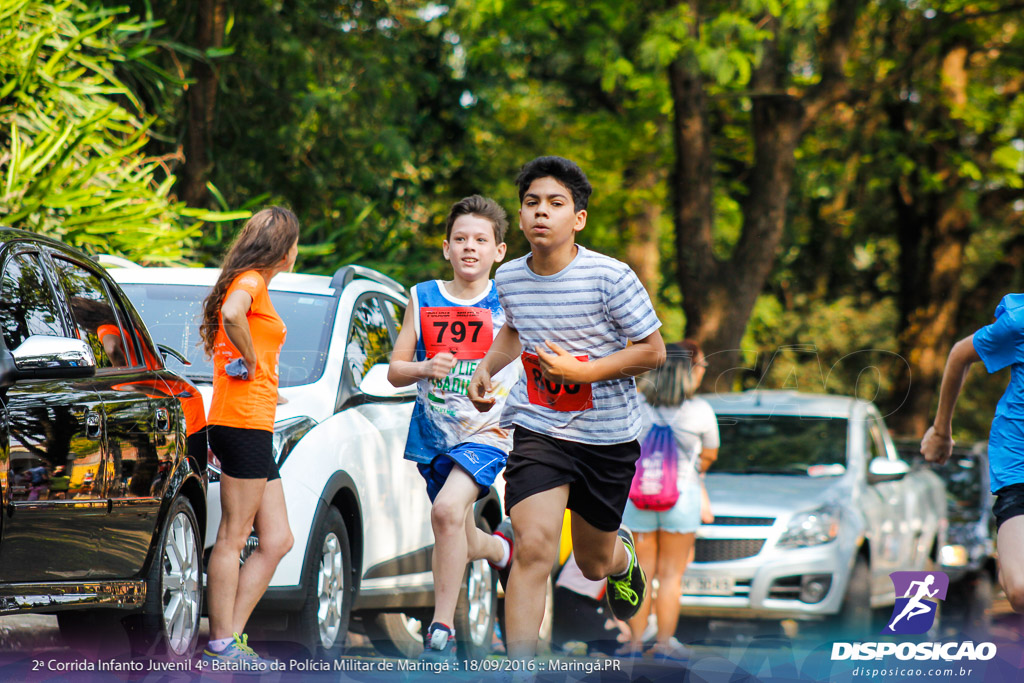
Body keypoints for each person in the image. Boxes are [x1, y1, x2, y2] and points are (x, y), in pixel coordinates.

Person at [468, 156, 666, 663]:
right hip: (540, 426)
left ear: (578, 218)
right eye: (532, 202)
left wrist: (585, 373)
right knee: (533, 547)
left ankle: (623, 562)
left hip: (607, 436)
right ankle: (519, 669)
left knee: (592, 561)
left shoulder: (610, 277)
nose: (541, 213)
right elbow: (514, 328)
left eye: (556, 204)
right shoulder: (509, 278)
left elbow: (652, 350)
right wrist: (487, 367)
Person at [388, 195, 517, 661]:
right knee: (459, 531)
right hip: (433, 435)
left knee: (444, 514)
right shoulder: (422, 296)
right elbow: (395, 370)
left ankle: (440, 627)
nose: (470, 248)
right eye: (460, 239)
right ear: (446, 248)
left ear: (498, 251)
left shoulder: (510, 301)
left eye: (481, 240)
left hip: (489, 432)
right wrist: (424, 368)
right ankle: (501, 550)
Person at [200, 207, 298, 669]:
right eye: (294, 242)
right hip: (240, 423)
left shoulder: (251, 281)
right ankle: (222, 643)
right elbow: (233, 313)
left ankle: (230, 639)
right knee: (233, 536)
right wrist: (252, 360)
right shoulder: (252, 282)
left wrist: (263, 383)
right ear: (283, 249)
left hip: (252, 420)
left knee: (276, 538)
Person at [921, 293, 1024, 614]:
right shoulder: (1019, 323)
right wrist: (941, 431)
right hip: (1018, 465)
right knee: (1019, 589)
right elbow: (960, 354)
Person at [619, 341, 718, 660]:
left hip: (638, 496)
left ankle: (635, 642)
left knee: (641, 572)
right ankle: (663, 643)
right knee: (672, 575)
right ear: (688, 371)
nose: (703, 373)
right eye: (701, 367)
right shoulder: (700, 411)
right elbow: (710, 454)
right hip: (681, 498)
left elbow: (622, 446)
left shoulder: (636, 405)